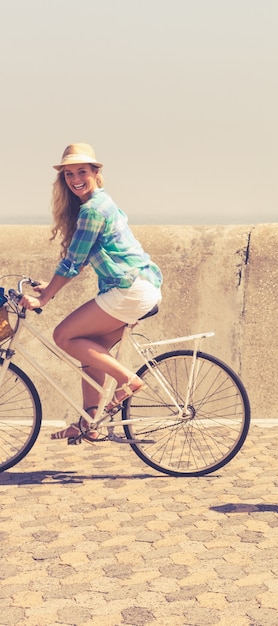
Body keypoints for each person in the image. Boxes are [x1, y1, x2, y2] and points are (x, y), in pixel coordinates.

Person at [19, 143, 163, 443]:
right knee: (91, 349)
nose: (75, 179)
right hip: (139, 286)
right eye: (69, 174)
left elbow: (71, 262)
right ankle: (90, 422)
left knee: (63, 336)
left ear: (96, 173)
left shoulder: (93, 210)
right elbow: (83, 258)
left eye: (81, 171)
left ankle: (128, 381)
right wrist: (51, 284)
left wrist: (44, 299)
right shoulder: (103, 204)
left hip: (129, 289)